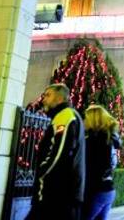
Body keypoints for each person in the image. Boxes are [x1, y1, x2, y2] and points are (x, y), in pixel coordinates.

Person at [26, 83, 85, 220]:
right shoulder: (66, 116)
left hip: (56, 196)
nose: (43, 99)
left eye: (48, 95)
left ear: (59, 98)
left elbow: (59, 154)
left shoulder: (65, 116)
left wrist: (42, 173)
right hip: (61, 196)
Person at [83, 105, 122, 220]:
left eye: (86, 118)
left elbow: (92, 169)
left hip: (96, 191)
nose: (84, 121)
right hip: (108, 190)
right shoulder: (109, 139)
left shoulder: (93, 141)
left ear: (93, 120)